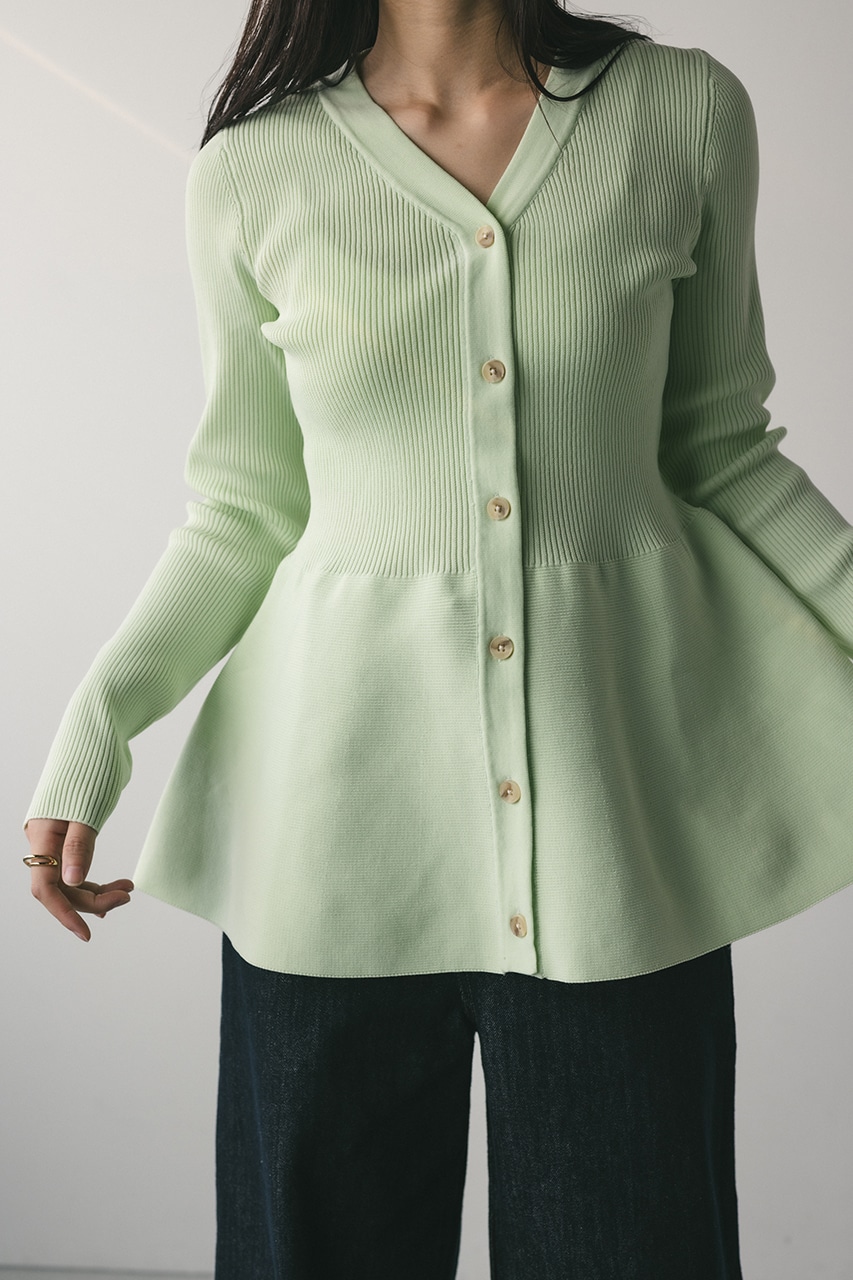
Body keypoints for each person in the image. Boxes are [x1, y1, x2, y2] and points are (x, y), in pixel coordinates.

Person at [22, 0, 853, 1275]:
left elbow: (721, 446)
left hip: (615, 840)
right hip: (324, 851)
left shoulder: (680, 112)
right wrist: (96, 732)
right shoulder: (252, 170)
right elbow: (243, 513)